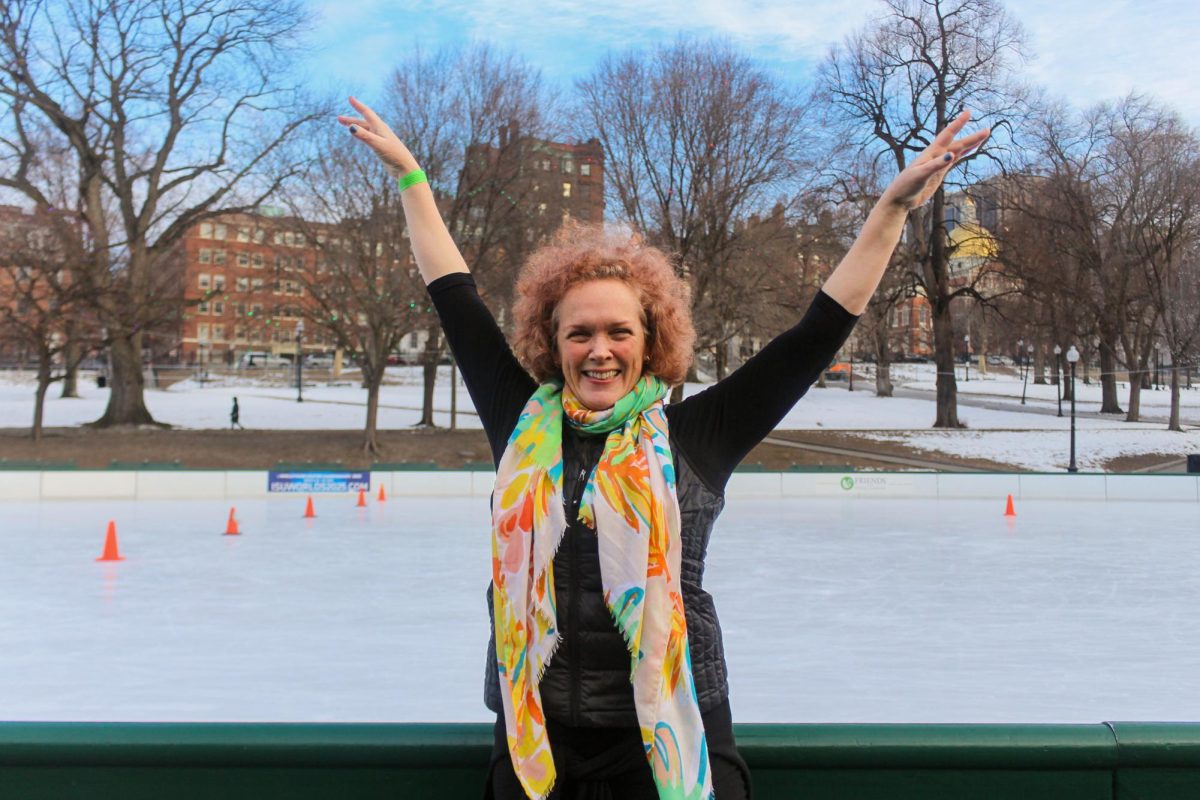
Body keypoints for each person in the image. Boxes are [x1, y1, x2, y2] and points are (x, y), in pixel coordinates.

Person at [339, 96, 988, 800]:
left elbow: (817, 333)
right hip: (537, 743)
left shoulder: (698, 435)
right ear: (550, 345)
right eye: (578, 333)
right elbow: (453, 295)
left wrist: (890, 212)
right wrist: (411, 178)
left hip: (673, 737)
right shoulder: (521, 422)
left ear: (650, 342)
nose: (599, 350)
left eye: (619, 332)